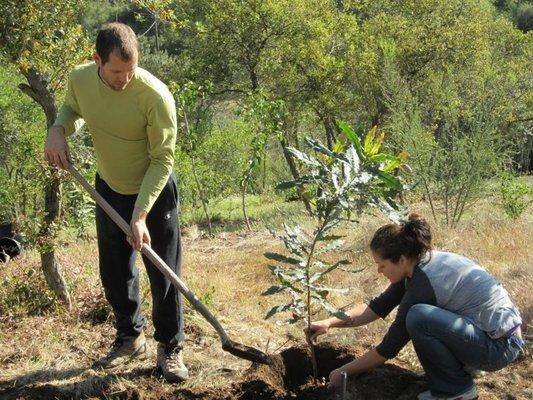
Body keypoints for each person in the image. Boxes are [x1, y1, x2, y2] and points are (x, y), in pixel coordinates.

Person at [44, 22, 187, 382]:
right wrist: (58, 129)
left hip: (153, 192)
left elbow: (162, 160)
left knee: (163, 272)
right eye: (116, 71)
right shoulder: (80, 79)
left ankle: (170, 348)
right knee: (115, 270)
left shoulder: (155, 96)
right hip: (109, 187)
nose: (125, 79)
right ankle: (129, 337)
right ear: (96, 60)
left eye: (131, 69)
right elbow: (71, 110)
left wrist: (141, 215)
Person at [307, 213, 524, 400]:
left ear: (401, 259)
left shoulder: (424, 283)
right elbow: (376, 307)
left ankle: (456, 390)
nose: (378, 271)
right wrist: (329, 322)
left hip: (499, 347)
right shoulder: (419, 265)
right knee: (421, 317)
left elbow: (387, 349)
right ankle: (455, 376)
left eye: (381, 265)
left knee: (419, 317)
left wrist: (341, 372)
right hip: (493, 338)